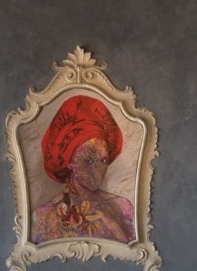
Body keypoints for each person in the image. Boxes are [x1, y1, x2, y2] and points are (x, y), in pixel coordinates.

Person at [30, 95, 135, 243]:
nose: (97, 170)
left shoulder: (123, 208)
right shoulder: (43, 217)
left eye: (103, 160)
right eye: (88, 160)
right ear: (68, 161)